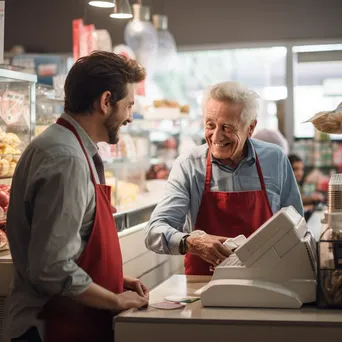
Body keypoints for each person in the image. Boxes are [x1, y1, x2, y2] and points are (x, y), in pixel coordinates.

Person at [4, 51, 149, 342]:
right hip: (50, 326)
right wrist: (116, 300)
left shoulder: (67, 146)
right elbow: (51, 267)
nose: (130, 117)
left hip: (69, 319)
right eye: (128, 105)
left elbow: (67, 247)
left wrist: (111, 282)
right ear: (106, 101)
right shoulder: (66, 158)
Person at [145, 81, 303, 275]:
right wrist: (191, 242)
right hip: (204, 284)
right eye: (210, 125)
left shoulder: (275, 159)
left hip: (268, 280)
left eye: (227, 127)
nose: (216, 137)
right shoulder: (189, 165)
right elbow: (154, 231)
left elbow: (297, 227)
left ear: (250, 128)